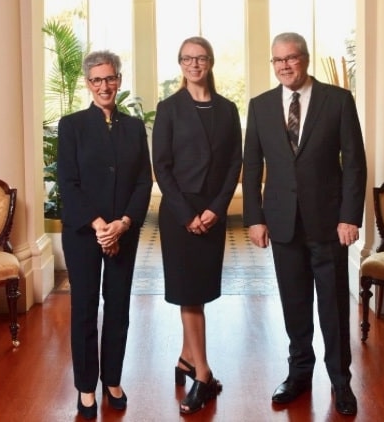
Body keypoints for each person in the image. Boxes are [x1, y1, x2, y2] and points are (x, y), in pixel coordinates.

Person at [242, 32, 367, 416]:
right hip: (282, 225)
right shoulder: (260, 106)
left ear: (305, 59)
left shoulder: (338, 100)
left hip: (328, 224)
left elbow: (355, 164)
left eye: (291, 58)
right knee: (295, 305)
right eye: (277, 60)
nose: (284, 66)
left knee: (332, 306)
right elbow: (252, 168)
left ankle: (340, 381)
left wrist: (349, 216)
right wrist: (254, 218)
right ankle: (299, 375)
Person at [57, 50, 153, 419]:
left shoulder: (133, 127)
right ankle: (85, 386)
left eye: (110, 78)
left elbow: (144, 181)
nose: (104, 86)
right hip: (84, 233)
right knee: (84, 309)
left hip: (123, 232)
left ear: (119, 80)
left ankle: (112, 379)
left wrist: (123, 224)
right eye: (97, 80)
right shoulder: (72, 125)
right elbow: (68, 181)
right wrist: (100, 225)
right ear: (88, 83)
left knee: (118, 308)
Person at [152, 36, 242, 414]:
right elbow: (162, 166)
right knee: (189, 292)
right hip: (179, 217)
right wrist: (187, 213)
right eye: (188, 58)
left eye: (201, 58)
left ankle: (187, 359)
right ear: (180, 63)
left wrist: (217, 209)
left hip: (212, 216)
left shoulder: (228, 109)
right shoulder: (168, 108)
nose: (194, 64)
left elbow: (235, 162)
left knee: (200, 290)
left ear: (211, 62)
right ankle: (203, 374)